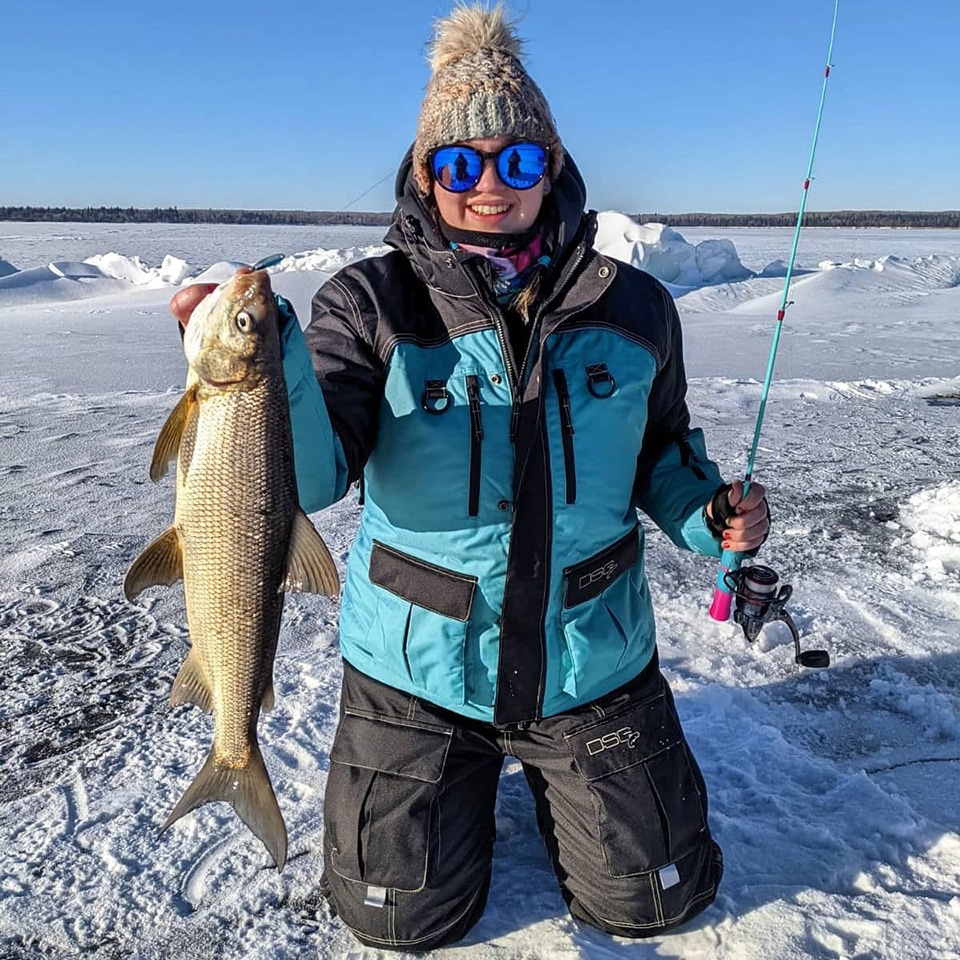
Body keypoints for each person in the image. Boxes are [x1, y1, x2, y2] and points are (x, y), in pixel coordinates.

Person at [173, 2, 769, 951]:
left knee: (656, 901)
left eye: (517, 161)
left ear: (554, 169)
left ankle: (556, 782)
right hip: (417, 668)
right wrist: (269, 356)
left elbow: (662, 456)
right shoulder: (367, 302)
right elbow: (313, 475)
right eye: (460, 164)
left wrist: (710, 515)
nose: (489, 186)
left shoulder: (638, 307)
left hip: (590, 660)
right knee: (397, 922)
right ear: (427, 176)